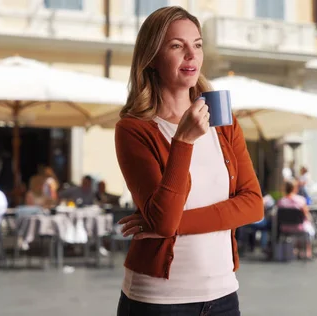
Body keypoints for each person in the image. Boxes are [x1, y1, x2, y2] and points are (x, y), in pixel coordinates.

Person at [113, 6, 262, 315]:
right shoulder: (134, 129)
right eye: (177, 46)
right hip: (158, 302)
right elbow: (164, 220)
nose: (191, 55)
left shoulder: (223, 120)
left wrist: (175, 227)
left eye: (197, 44)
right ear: (152, 57)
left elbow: (253, 203)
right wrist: (183, 141)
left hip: (223, 295)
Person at [277, 180, 315, 259]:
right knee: (309, 227)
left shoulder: (281, 201)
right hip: (299, 227)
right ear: (295, 188)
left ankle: (295, 249)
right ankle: (308, 252)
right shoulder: (300, 200)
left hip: (285, 227)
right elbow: (306, 215)